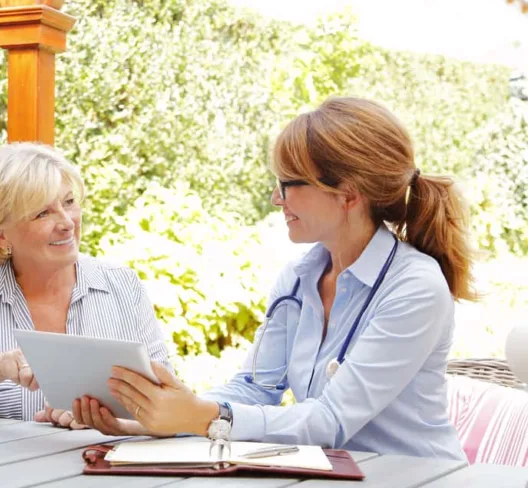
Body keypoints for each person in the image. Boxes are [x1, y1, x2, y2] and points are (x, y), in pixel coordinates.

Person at [73, 97, 474, 460]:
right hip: (339, 473)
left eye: (287, 184)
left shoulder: (415, 288)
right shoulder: (299, 278)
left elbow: (330, 421)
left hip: (419, 478)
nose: (276, 198)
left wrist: (204, 417)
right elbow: (254, 386)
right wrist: (145, 415)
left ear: (347, 195)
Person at [0, 143, 170, 428]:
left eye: (68, 202)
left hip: (109, 457)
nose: (67, 222)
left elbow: (170, 405)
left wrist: (110, 424)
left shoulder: (123, 285)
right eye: (43, 213)